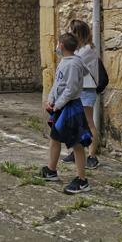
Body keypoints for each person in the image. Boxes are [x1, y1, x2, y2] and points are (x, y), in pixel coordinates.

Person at [41, 32, 93, 194]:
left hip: (70, 107)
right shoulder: (67, 61)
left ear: (61, 46)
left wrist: (58, 104)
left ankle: (82, 180)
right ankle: (51, 170)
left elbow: (70, 89)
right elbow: (58, 84)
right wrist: (51, 98)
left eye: (57, 44)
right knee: (55, 137)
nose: (56, 46)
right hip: (62, 105)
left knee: (77, 143)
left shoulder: (72, 64)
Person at [62, 20, 100, 169]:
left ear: (78, 33)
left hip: (86, 89)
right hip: (77, 89)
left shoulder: (87, 50)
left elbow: (72, 62)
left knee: (88, 122)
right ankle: (77, 150)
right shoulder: (78, 50)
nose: (69, 34)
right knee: (76, 123)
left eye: (72, 31)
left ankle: (91, 155)